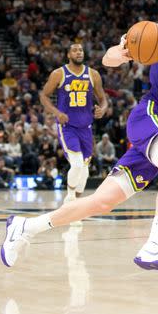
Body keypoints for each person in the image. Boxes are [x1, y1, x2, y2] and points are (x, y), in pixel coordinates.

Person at [0, 0, 158, 273]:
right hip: (151, 114)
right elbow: (108, 57)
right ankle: (155, 245)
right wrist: (125, 52)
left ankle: (26, 226)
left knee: (101, 201)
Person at [39, 43, 108, 204]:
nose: (79, 52)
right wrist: (57, 113)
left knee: (84, 171)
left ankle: (76, 202)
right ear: (68, 55)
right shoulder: (59, 74)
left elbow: (103, 99)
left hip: (86, 127)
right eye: (75, 50)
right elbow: (44, 96)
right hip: (68, 126)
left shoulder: (93, 74)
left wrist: (102, 110)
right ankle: (69, 198)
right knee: (76, 164)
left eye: (81, 50)